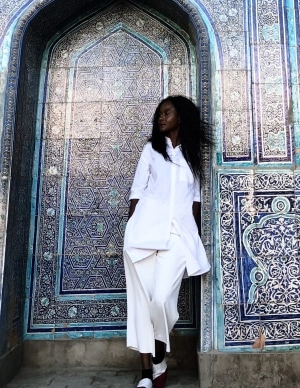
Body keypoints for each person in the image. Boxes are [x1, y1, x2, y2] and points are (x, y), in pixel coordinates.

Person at [123, 95, 211, 388]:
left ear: (180, 117)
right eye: (159, 114)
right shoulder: (151, 150)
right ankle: (147, 373)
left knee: (160, 301)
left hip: (176, 236)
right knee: (141, 303)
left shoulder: (193, 155)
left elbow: (195, 200)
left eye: (167, 113)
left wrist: (192, 235)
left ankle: (160, 354)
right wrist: (130, 230)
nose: (161, 118)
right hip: (143, 235)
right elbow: (137, 191)